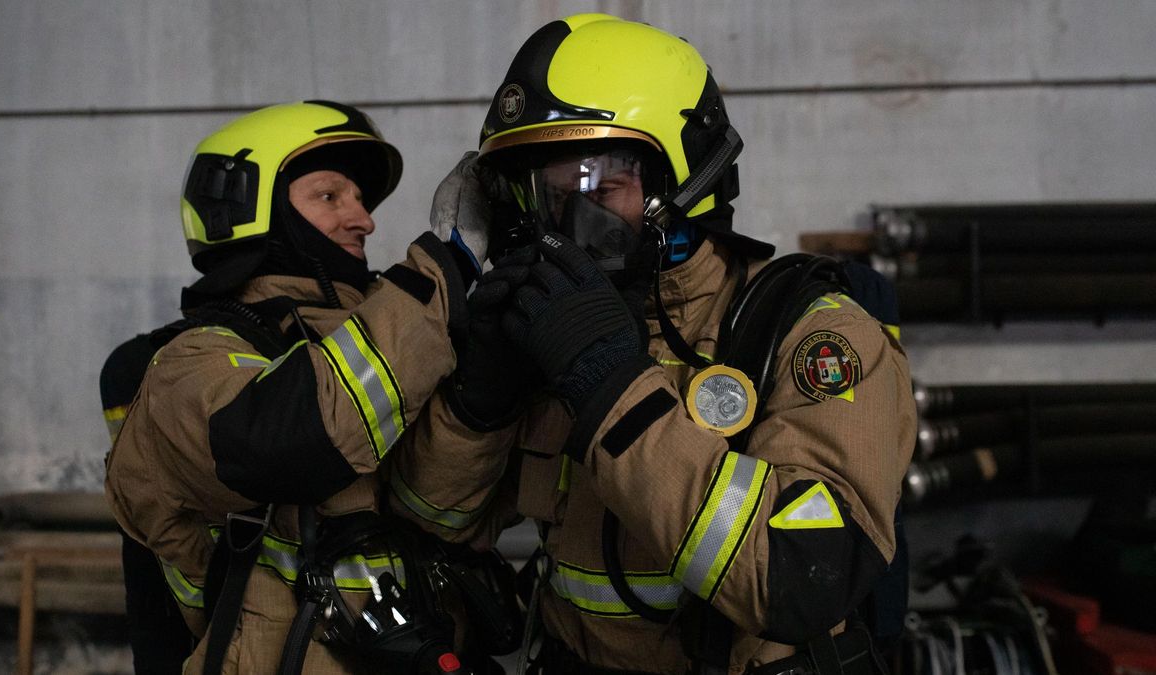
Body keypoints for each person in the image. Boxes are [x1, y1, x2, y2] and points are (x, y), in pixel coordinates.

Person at [392, 14, 916, 674]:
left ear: (685, 181)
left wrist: (609, 383)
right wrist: (479, 404)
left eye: (597, 188)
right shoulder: (551, 324)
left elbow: (798, 579)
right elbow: (432, 524)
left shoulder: (816, 337)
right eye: (543, 198)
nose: (563, 227)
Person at [105, 100, 496, 674]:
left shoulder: (394, 339)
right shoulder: (188, 362)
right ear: (244, 207)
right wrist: (445, 269)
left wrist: (489, 383)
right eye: (329, 196)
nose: (363, 220)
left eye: (361, 200)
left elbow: (440, 515)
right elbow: (285, 443)